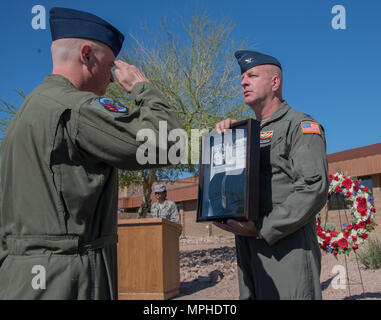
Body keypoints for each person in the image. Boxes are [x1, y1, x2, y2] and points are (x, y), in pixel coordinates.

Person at [0, 7, 182, 300]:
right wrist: (142, 88)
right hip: (69, 278)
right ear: (86, 55)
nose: (112, 80)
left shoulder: (26, 112)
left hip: (20, 276)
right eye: (110, 66)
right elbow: (170, 144)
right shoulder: (78, 109)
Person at [214, 50, 329, 299]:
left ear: (275, 82)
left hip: (286, 243)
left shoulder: (299, 125)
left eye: (252, 75)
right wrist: (228, 139)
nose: (243, 82)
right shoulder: (245, 132)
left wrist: (261, 227)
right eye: (242, 77)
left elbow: (313, 188)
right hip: (248, 242)